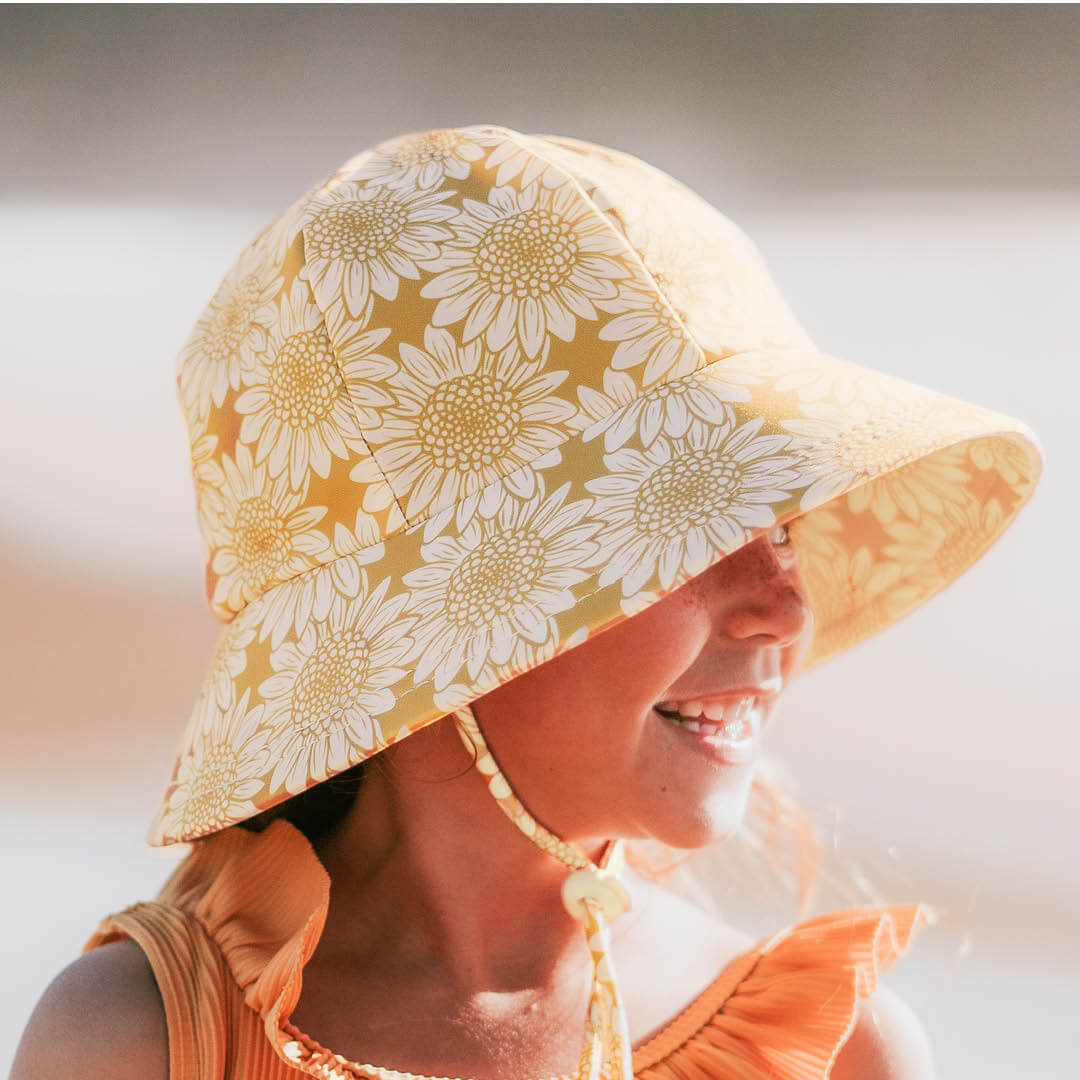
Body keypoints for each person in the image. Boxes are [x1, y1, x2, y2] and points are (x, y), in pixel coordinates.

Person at [12, 125, 1041, 1080]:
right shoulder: (147, 1042)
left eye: (780, 529)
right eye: (690, 531)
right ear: (437, 618)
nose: (782, 608)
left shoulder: (837, 1051)